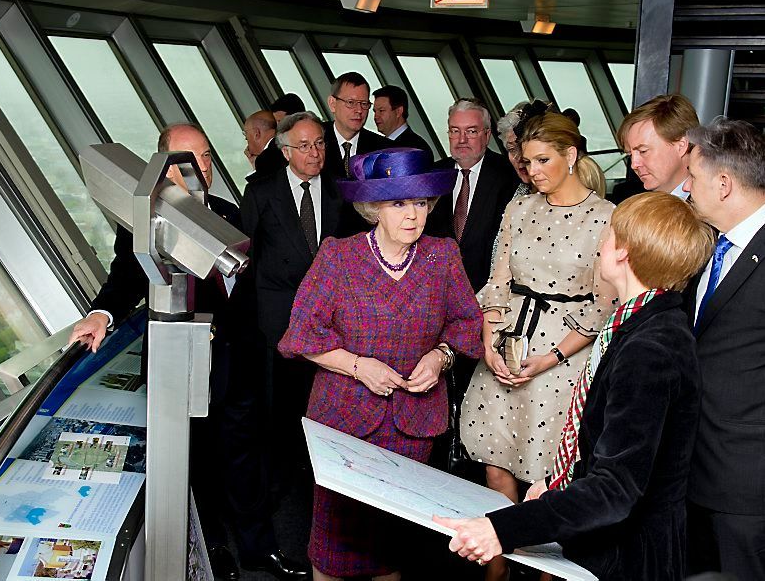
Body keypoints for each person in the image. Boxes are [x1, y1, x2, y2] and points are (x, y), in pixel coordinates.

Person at [68, 124, 307, 580]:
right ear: (163, 169)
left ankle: (261, 551)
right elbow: (126, 274)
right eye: (189, 158)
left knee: (244, 456)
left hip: (236, 359)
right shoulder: (148, 223)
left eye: (206, 156)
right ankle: (211, 552)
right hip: (181, 366)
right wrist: (101, 313)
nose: (202, 167)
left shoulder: (228, 212)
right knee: (193, 464)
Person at [436, 192, 714, 581]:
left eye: (610, 233)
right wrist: (556, 482)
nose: (601, 241)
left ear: (623, 253)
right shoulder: (637, 322)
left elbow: (615, 489)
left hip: (627, 559)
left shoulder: (651, 349)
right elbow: (612, 443)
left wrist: (503, 529)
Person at [278, 147, 483, 581]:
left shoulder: (442, 256)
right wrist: (358, 366)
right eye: (398, 203)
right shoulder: (338, 257)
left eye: (420, 202)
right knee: (334, 546)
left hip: (412, 424)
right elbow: (300, 337)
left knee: (391, 546)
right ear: (374, 208)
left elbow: (467, 322)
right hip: (344, 422)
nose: (413, 215)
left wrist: (441, 356)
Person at [459, 112, 616, 580]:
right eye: (527, 162)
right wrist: (490, 343)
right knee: (494, 455)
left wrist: (549, 358)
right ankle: (497, 566)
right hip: (508, 338)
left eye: (544, 160)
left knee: (551, 472)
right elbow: (498, 280)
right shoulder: (518, 206)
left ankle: (549, 572)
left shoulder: (608, 217)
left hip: (565, 352)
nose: (534, 172)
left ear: (572, 155)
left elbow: (604, 305)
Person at [239, 111, 344, 497]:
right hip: (278, 314)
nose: (315, 153)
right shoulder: (261, 192)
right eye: (304, 146)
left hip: (330, 316)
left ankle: (320, 472)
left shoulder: (339, 189)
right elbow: (247, 257)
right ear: (285, 152)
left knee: (321, 396)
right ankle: (282, 480)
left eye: (319, 143)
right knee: (280, 404)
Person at [682, 118, 765, 581]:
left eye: (693, 177)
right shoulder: (712, 245)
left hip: (746, 489)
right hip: (695, 474)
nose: (687, 187)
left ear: (725, 183)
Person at [427, 98, 520, 292]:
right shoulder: (432, 175)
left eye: (471, 131)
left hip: (489, 295)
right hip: (438, 291)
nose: (462, 139)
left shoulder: (509, 176)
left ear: (486, 135)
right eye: (455, 131)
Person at [615, 93, 699, 201]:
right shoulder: (634, 201)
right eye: (630, 155)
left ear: (681, 146)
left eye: (643, 151)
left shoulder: (709, 210)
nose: (634, 164)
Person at [372, 85, 432, 153]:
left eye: (381, 110)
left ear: (398, 111)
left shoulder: (415, 148)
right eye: (375, 111)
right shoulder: (379, 146)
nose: (376, 116)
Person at [244, 109, 285, 180]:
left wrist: (255, 166)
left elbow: (259, 188)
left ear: (256, 133)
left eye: (246, 134)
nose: (246, 139)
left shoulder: (267, 157)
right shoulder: (286, 143)